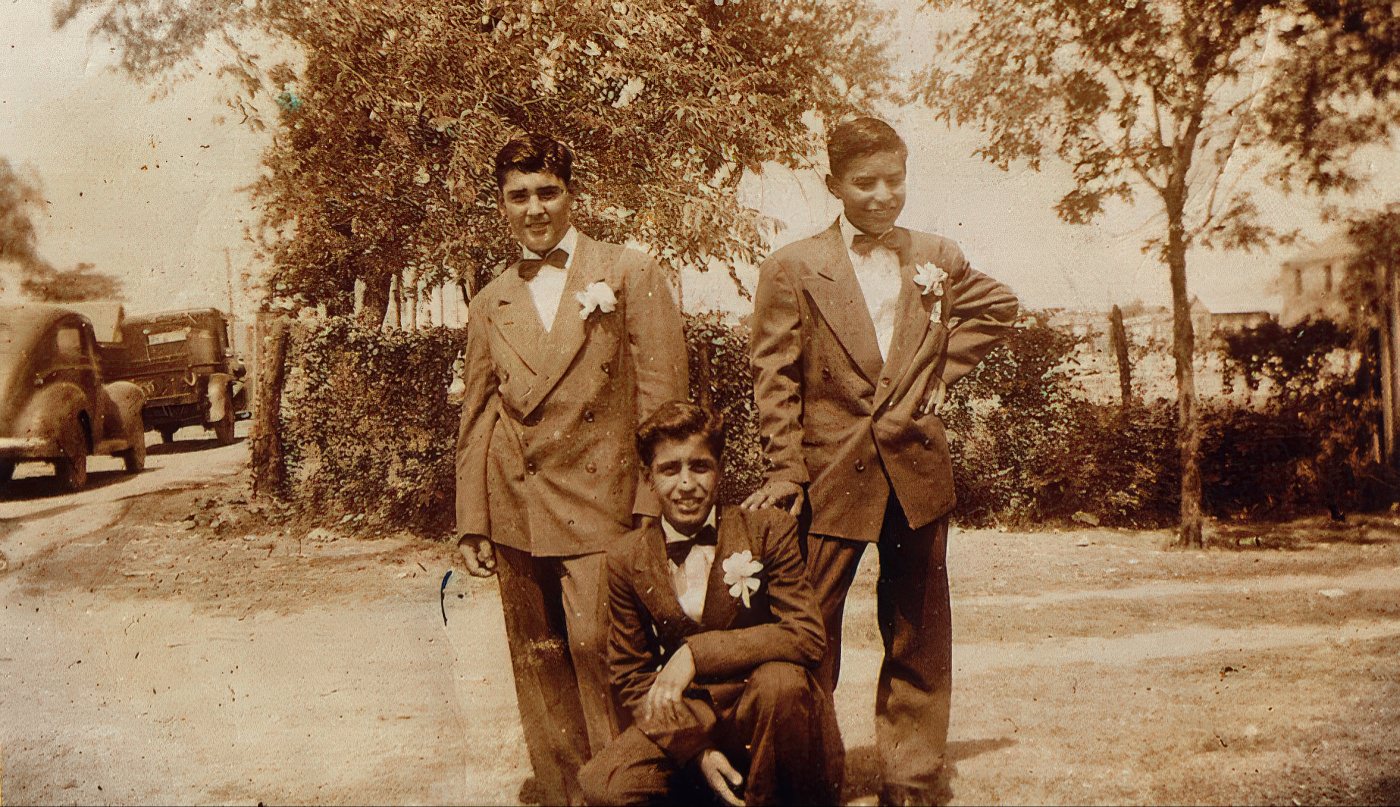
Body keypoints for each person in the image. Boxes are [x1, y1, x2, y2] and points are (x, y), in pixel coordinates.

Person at [745, 117, 1019, 805]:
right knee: (810, 628)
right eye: (864, 182)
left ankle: (911, 773)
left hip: (914, 471)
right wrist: (786, 469)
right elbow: (774, 378)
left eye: (894, 179)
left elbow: (998, 306)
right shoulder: (791, 266)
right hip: (828, 475)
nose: (881, 195)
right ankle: (810, 774)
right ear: (833, 184)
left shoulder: (935, 254)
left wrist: (938, 372)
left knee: (917, 629)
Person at [455, 133, 690, 805]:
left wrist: (652, 505)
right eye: (518, 196)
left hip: (603, 501)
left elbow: (665, 402)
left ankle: (623, 790)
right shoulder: (491, 299)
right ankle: (562, 793)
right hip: (517, 503)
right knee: (539, 665)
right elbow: (478, 414)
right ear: (501, 204)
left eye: (547, 192)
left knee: (604, 654)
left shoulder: (628, 272)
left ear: (571, 195)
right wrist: (473, 519)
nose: (534, 209)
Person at [579, 400, 843, 806]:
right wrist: (696, 752)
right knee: (605, 784)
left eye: (699, 466)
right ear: (648, 478)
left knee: (782, 683)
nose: (686, 484)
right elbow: (632, 678)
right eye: (670, 470)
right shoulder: (626, 558)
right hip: (693, 716)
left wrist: (695, 655)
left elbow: (806, 636)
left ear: (719, 470)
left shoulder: (766, 530)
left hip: (767, 710)